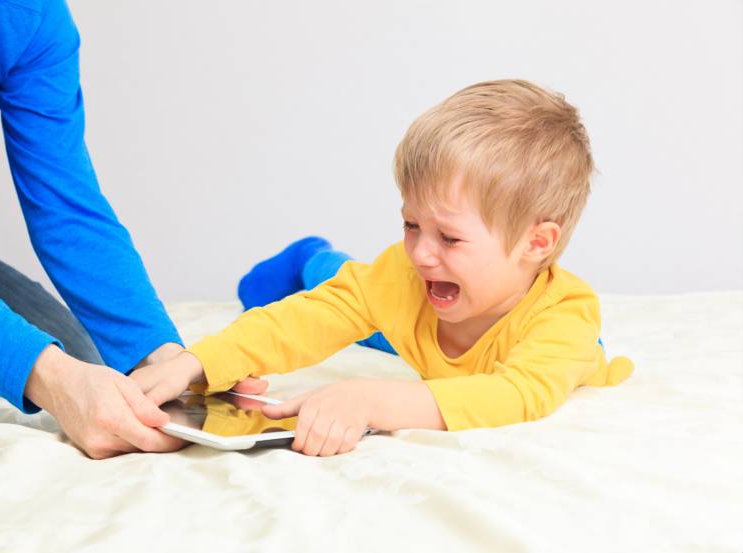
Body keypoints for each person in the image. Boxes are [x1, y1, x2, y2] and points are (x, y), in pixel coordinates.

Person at [132, 79, 634, 457]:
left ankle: (318, 261)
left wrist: (369, 400)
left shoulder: (566, 318)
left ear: (536, 243)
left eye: (450, 237)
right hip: (423, 315)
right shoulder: (413, 274)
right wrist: (199, 362)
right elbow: (312, 319)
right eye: (411, 224)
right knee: (348, 293)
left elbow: (517, 394)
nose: (421, 252)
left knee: (377, 332)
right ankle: (312, 260)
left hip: (447, 336)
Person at [0, 0, 263, 459]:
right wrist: (49, 378)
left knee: (75, 357)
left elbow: (64, 200)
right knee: (42, 371)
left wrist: (162, 360)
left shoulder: (28, 14)